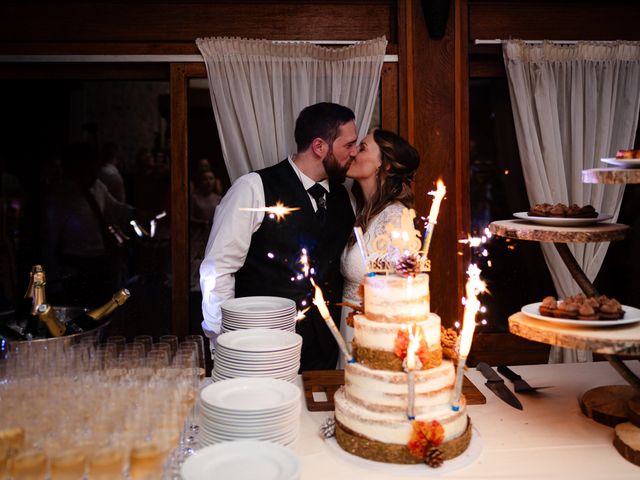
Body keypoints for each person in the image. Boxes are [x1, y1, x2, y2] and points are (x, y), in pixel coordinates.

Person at [200, 102, 358, 371]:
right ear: (320, 147)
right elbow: (218, 269)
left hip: (324, 349)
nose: (354, 153)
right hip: (262, 347)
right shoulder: (253, 188)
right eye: (348, 145)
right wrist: (225, 341)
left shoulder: (345, 198)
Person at [338, 128, 420, 367]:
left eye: (362, 148)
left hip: (374, 336)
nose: (353, 153)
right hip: (347, 327)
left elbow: (403, 291)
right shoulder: (362, 210)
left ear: (386, 166)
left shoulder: (396, 219)